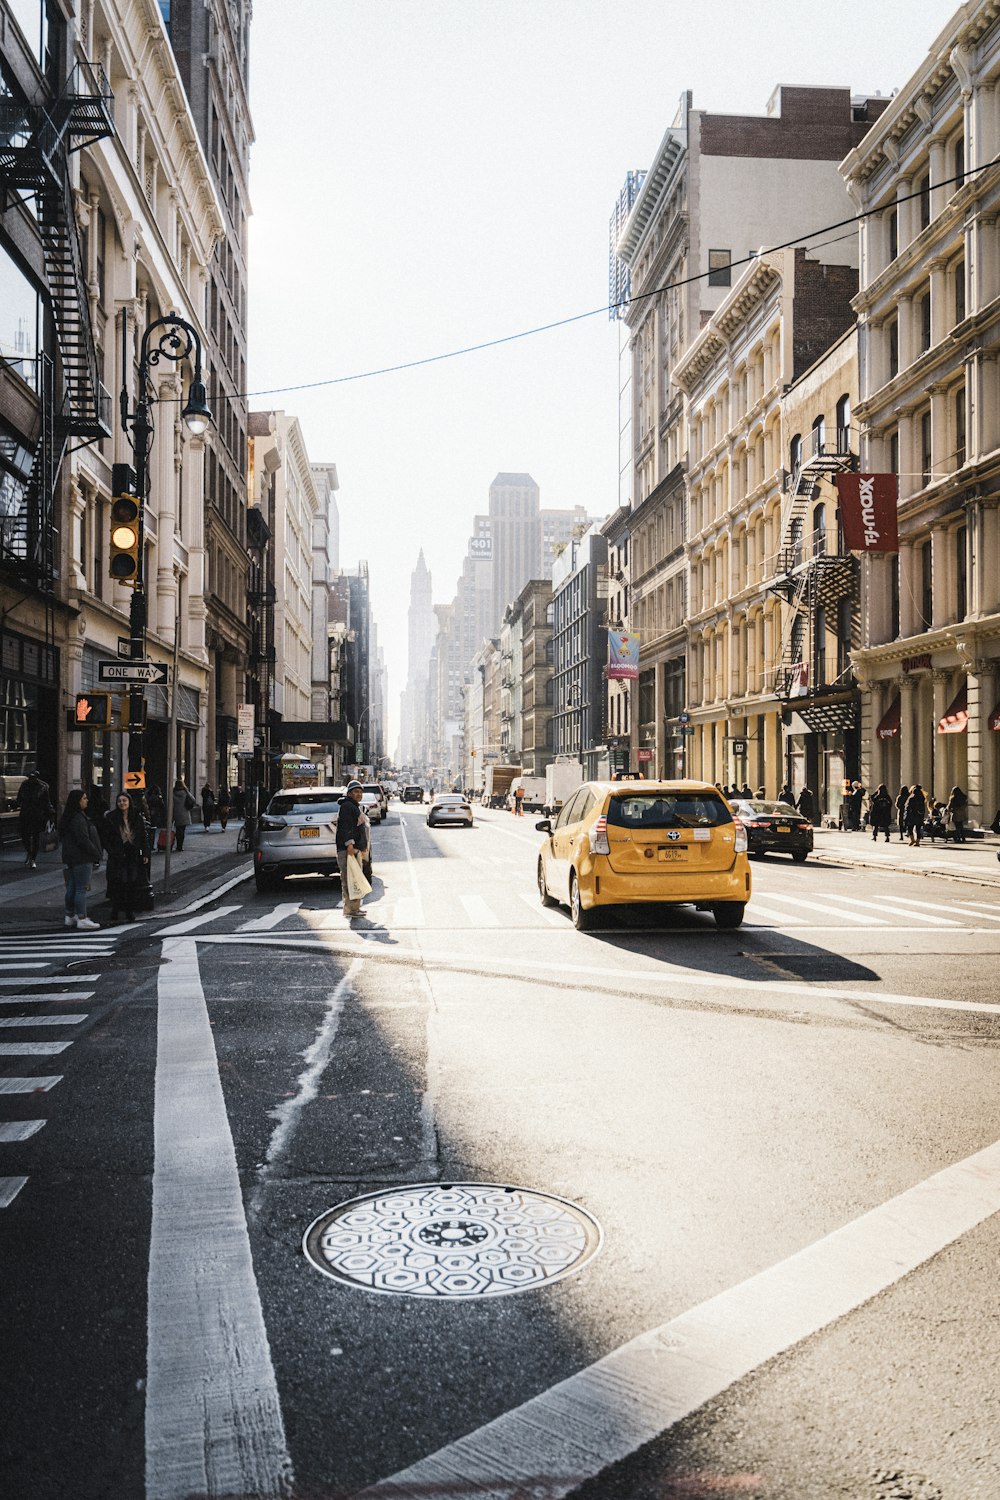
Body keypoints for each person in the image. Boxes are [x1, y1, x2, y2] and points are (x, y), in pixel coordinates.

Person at [102, 792, 151, 922]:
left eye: (124, 801)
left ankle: (129, 911)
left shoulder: (136, 817)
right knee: (118, 883)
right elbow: (106, 838)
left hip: (132, 853)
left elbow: (142, 836)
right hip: (118, 854)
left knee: (131, 883)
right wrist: (112, 852)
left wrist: (145, 853)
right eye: (119, 801)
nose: (122, 803)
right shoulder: (111, 817)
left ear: (129, 802)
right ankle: (115, 910)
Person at [58, 788, 102, 930]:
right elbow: (83, 839)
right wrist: (95, 852)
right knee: (81, 888)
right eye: (84, 798)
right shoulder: (78, 818)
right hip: (82, 857)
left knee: (72, 886)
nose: (86, 800)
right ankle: (82, 917)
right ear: (77, 801)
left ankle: (70, 915)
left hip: (71, 857)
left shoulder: (69, 817)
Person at [336, 779, 369, 919]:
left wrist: (361, 847)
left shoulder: (353, 806)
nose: (359, 794)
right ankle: (350, 909)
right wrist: (349, 845)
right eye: (356, 792)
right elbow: (346, 827)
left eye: (360, 792)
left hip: (354, 849)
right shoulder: (347, 806)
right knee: (349, 880)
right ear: (349, 793)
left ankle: (355, 908)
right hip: (348, 850)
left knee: (355, 879)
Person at [15, 768, 54, 868]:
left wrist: (50, 813)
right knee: (25, 836)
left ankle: (33, 857)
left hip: (36, 815)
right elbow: (19, 798)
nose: (32, 779)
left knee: (35, 836)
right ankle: (30, 853)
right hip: (28, 814)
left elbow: (46, 802)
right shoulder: (25, 786)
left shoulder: (42, 787)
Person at [172, 779, 195, 851]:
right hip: (184, 813)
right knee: (182, 831)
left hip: (175, 813)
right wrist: (187, 791)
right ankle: (180, 846)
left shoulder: (172, 793)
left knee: (178, 830)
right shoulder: (185, 792)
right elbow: (193, 799)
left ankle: (177, 844)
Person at [146, 785, 166, 851]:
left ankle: (148, 845)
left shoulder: (147, 796)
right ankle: (151, 845)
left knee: (148, 830)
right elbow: (162, 806)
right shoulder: (158, 797)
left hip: (148, 814)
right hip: (155, 815)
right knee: (153, 830)